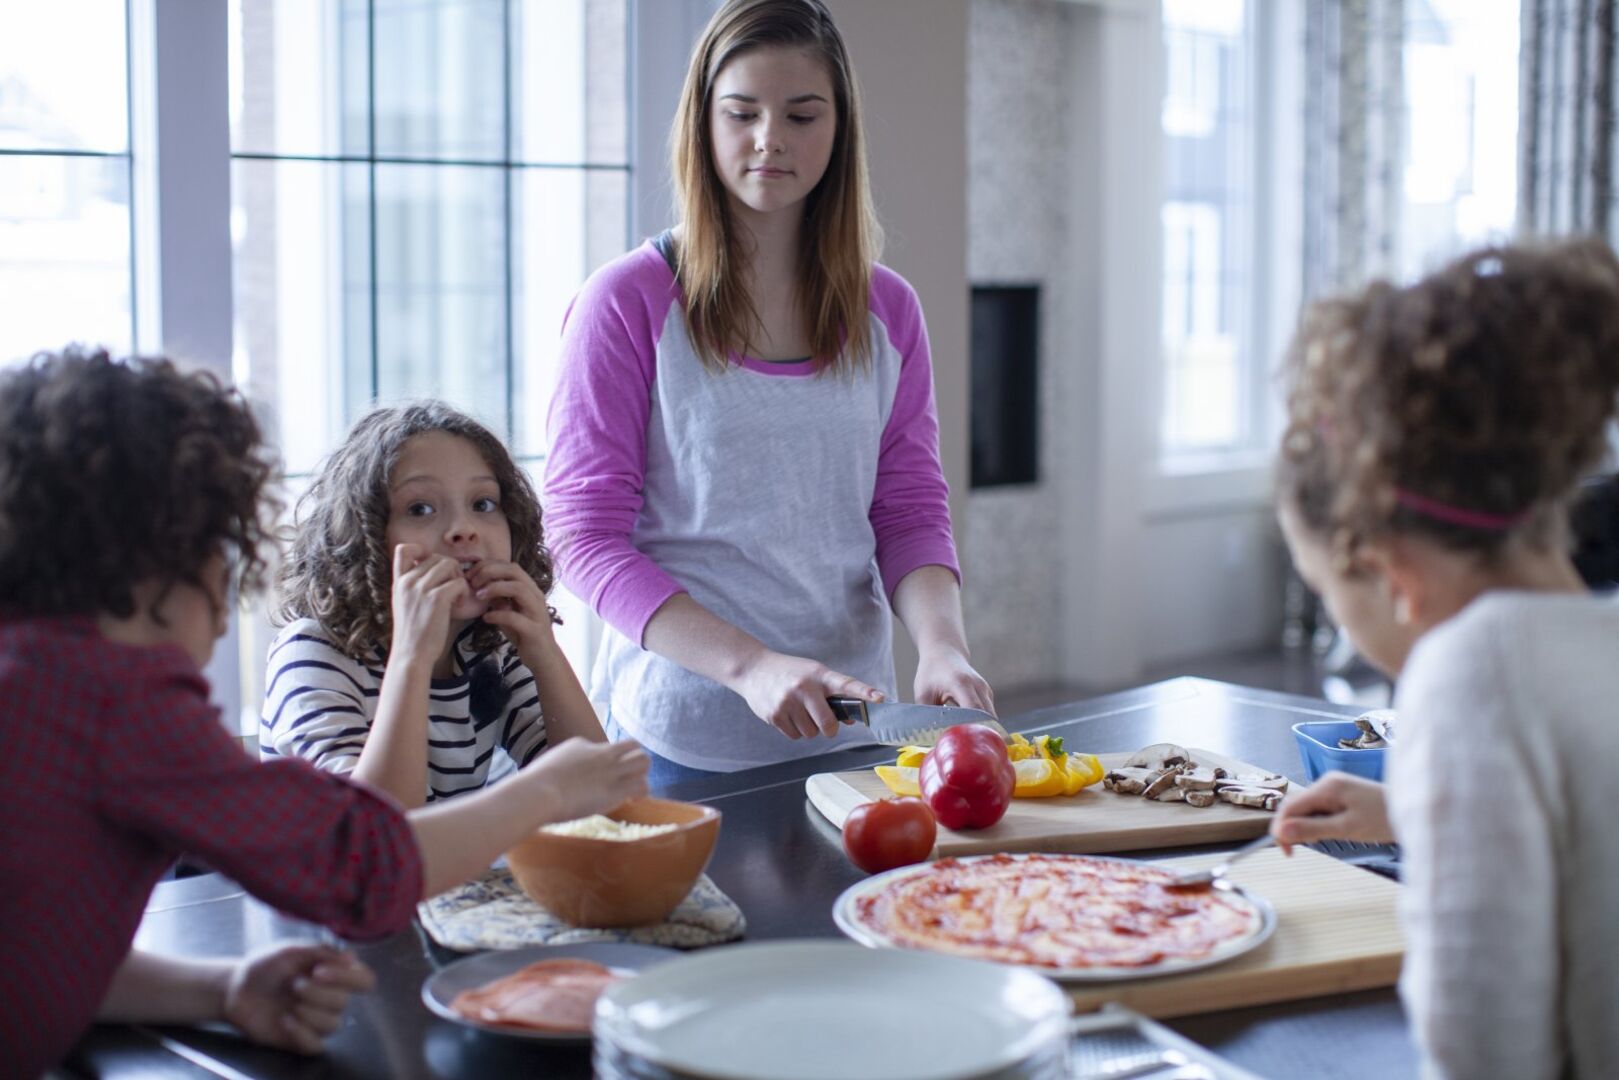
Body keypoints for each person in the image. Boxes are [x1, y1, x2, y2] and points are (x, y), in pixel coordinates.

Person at [0, 350, 648, 1076]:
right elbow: (360, 864)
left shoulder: (37, 678)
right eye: (221, 547)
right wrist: (552, 789)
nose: (223, 600)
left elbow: (32, 950)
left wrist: (218, 990)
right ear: (161, 556)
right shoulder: (112, 698)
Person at [543, 0, 993, 782]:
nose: (769, 140)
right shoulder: (625, 302)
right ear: (703, 123)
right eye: (742, 112)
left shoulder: (888, 310)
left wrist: (942, 646)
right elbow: (582, 538)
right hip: (684, 742)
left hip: (857, 729)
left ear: (839, 128)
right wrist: (749, 666)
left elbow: (908, 506)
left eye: (801, 114)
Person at [1268, 241, 1619, 1079]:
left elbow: (1484, 1051)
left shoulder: (1470, 676)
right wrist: (1411, 809)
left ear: (1392, 577)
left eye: (1329, 596)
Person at [264, 402, 607, 809]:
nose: (464, 530)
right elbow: (376, 841)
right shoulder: (314, 654)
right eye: (420, 509)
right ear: (365, 538)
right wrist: (412, 657)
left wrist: (545, 654)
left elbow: (597, 792)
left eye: (483, 504)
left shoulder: (489, 648)